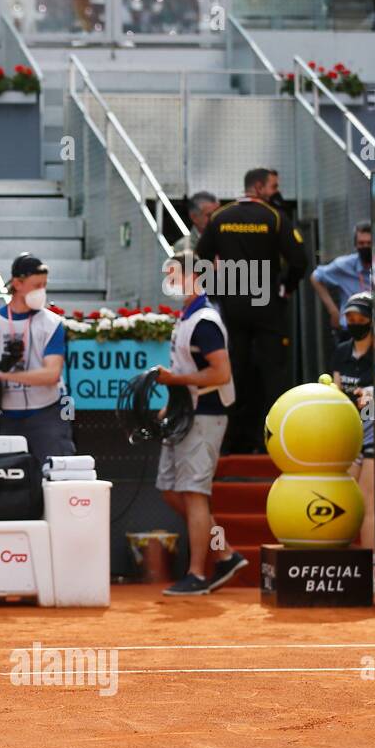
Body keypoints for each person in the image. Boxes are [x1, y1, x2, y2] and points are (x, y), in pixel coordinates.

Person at [194, 167, 307, 454]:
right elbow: (299, 260)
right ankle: (272, 440)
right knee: (273, 372)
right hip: (267, 304)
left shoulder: (221, 217)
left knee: (234, 371)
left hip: (232, 306)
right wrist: (286, 287)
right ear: (258, 187)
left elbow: (200, 259)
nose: (276, 191)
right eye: (273, 186)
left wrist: (217, 288)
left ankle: (230, 442)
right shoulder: (274, 217)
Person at [153, 252, 247, 596]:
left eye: (176, 275)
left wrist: (172, 384)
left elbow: (221, 373)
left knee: (194, 493)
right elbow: (182, 369)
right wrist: (169, 404)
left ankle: (197, 573)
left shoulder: (205, 320)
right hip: (185, 414)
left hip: (206, 414)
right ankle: (224, 553)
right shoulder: (187, 317)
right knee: (170, 489)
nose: (171, 283)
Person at [0, 253, 75, 465]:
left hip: (47, 415)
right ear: (17, 283)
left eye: (44, 285)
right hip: (5, 416)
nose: (42, 291)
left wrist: (0, 374)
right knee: (8, 485)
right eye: (36, 285)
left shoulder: (51, 323)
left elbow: (52, 374)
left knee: (55, 479)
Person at [332, 293, 375, 560]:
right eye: (350, 317)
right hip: (349, 431)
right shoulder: (341, 351)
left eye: (360, 317)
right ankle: (342, 566)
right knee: (346, 501)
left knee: (366, 503)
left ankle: (369, 570)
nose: (354, 321)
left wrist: (371, 396)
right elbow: (337, 393)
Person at [311, 221, 371, 339]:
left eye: (369, 243)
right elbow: (315, 277)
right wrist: (333, 310)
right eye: (361, 243)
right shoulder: (344, 265)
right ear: (355, 245)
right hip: (351, 330)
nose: (365, 247)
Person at [173, 191, 218, 255]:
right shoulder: (183, 247)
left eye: (218, 214)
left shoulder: (228, 240)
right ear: (194, 217)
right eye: (209, 215)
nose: (215, 219)